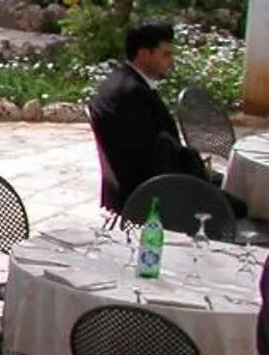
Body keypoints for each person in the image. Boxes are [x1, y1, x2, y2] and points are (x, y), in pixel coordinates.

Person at [88, 21, 220, 217]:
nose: (171, 62)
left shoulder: (121, 82)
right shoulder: (131, 95)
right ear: (144, 54)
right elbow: (156, 156)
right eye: (166, 55)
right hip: (149, 192)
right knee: (241, 206)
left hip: (132, 185)